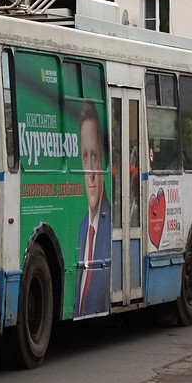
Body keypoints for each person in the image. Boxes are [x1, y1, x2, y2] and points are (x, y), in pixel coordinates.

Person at [75, 99, 112, 318]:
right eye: (84, 157)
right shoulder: (82, 228)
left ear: (103, 160)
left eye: (95, 156)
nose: (90, 172)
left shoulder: (113, 227)